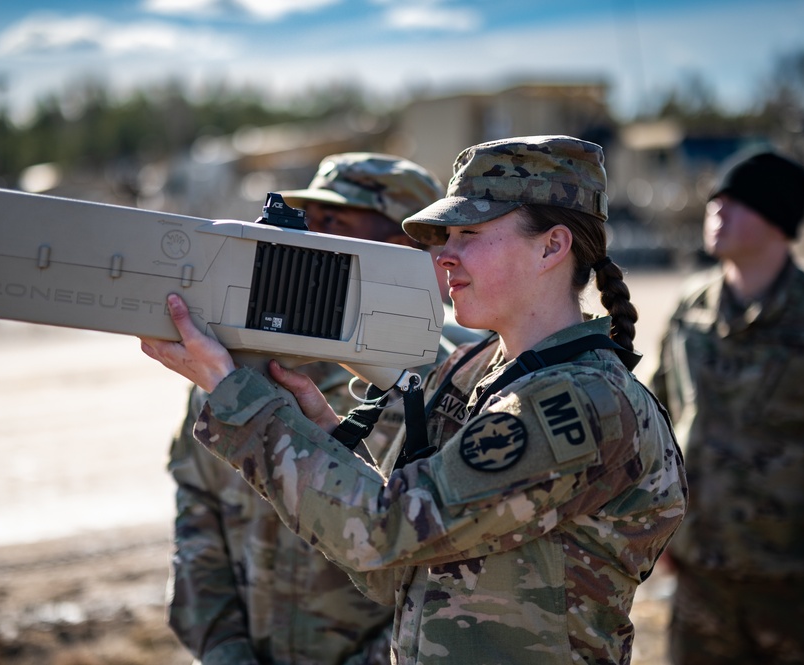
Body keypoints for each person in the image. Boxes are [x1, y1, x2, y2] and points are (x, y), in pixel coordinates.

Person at [143, 135, 688, 664]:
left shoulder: (580, 401)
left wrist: (238, 399)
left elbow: (384, 530)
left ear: (552, 246)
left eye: (469, 232)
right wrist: (325, 432)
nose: (444, 256)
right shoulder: (476, 374)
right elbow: (394, 567)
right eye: (444, 236)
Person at [166, 152, 446, 665]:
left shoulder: (439, 385)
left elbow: (441, 570)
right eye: (305, 225)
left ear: (409, 252)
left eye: (335, 226)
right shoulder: (235, 367)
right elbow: (197, 509)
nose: (306, 246)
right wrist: (224, 650)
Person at [651, 149, 804, 664]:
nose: (717, 210)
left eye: (737, 201)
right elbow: (658, 419)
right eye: (716, 199)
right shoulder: (692, 307)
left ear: (778, 219)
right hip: (701, 573)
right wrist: (660, 531)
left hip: (800, 580)